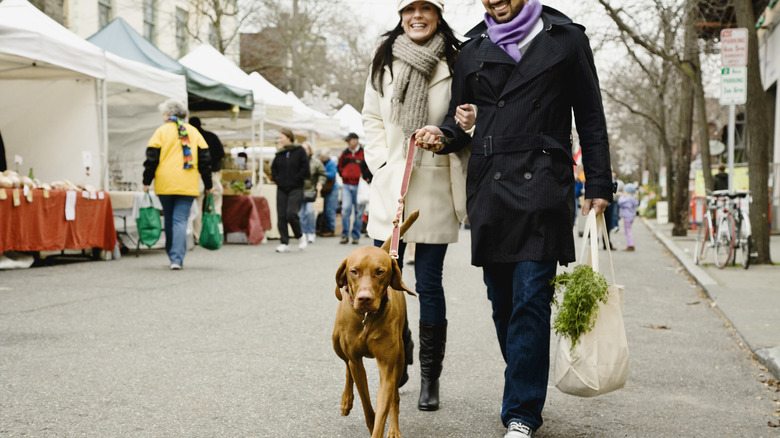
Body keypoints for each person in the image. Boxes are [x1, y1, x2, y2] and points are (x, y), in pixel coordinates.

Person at [415, 1, 613, 436]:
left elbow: (591, 116)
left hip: (544, 182)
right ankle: (526, 375)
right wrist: (443, 134)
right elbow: (458, 117)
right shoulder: (472, 47)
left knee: (530, 298)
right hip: (490, 184)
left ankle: (521, 413)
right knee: (502, 300)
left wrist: (599, 183)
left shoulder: (566, 39)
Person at [362, 0, 476, 412]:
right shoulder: (383, 59)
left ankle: (431, 377)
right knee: (380, 280)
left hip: (433, 181)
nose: (417, 16)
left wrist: (446, 135)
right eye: (410, 8)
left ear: (438, 14)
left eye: (426, 8)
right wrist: (381, 164)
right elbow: (371, 118)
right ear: (400, 14)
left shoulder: (457, 58)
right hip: (392, 182)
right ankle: (399, 354)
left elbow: (467, 118)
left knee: (428, 282)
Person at [143, 98, 212, 270]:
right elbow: (205, 160)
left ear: (168, 114)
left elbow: (151, 159)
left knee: (169, 219)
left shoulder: (161, 131)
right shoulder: (194, 132)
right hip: (188, 183)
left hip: (165, 182)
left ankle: (171, 253)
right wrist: (208, 183)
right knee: (180, 220)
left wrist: (146, 181)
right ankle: (177, 258)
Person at [271, 128, 310, 253]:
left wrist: (297, 179)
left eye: (281, 137)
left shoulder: (299, 151)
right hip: (282, 188)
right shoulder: (279, 153)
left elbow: (305, 168)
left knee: (291, 213)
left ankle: (300, 235)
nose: (280, 140)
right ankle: (284, 242)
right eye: (279, 138)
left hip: (296, 188)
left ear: (289, 137)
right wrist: (278, 179)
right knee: (281, 215)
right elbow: (274, 169)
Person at [189, 117, 225, 244]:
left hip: (195, 174)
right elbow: (221, 153)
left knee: (197, 204)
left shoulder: (189, 137)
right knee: (215, 202)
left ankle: (197, 235)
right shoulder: (211, 136)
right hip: (213, 173)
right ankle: (215, 232)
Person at [338, 132, 371, 245]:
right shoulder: (345, 153)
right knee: (345, 209)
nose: (348, 143)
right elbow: (340, 166)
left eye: (349, 140)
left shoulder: (364, 153)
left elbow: (370, 166)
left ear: (356, 140)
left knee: (358, 212)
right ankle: (345, 235)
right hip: (347, 184)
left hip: (359, 185)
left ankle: (355, 236)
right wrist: (343, 174)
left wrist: (365, 176)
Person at [298, 142, 326, 243]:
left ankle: (311, 232)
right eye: (303, 149)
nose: (305, 151)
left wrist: (320, 183)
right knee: (301, 214)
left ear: (310, 150)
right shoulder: (297, 161)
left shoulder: (316, 162)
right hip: (299, 191)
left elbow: (322, 174)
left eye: (306, 149)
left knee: (310, 212)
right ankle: (303, 233)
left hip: (311, 191)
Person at [316, 150, 339, 237]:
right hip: (325, 190)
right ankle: (323, 229)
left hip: (332, 189)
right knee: (324, 210)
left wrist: (321, 173)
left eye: (322, 157)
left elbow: (332, 174)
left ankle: (331, 229)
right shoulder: (322, 163)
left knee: (330, 210)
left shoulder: (331, 164)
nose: (321, 158)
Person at [618, 183, 639, 251]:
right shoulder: (634, 198)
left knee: (627, 231)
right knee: (628, 230)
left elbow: (620, 202)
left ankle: (630, 244)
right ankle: (630, 244)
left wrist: (622, 195)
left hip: (627, 216)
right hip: (632, 216)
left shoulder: (625, 198)